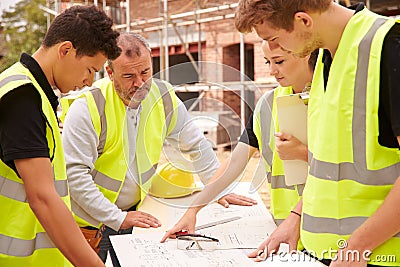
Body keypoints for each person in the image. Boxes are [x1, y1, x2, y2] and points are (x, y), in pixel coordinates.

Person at [60, 32, 256, 266]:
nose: (140, 83)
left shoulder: (162, 97)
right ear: (110, 73)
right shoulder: (88, 108)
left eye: (145, 72)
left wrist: (217, 188)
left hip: (135, 215)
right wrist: (118, 218)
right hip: (90, 225)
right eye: (129, 76)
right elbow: (75, 177)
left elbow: (196, 145)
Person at [235, 1, 400, 266]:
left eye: (275, 39)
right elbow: (328, 165)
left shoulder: (389, 49)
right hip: (327, 254)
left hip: (376, 256)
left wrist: (356, 249)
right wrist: (295, 219)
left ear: (303, 21)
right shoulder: (325, 59)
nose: (277, 50)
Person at [161, 41, 317, 255]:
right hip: (283, 232)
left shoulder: (329, 100)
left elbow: (340, 167)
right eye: (267, 62)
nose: (272, 71)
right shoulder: (268, 104)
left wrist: (301, 153)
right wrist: (193, 210)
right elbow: (235, 162)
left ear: (305, 52)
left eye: (279, 61)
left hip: (325, 233)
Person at [0, 5, 120, 267]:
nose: (89, 81)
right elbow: (42, 198)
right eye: (90, 69)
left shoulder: (32, 92)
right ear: (65, 50)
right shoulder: (22, 97)